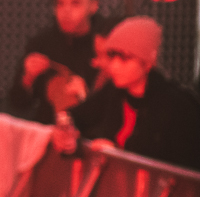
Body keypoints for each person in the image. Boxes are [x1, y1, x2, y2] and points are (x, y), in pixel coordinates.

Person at [52, 16, 200, 170]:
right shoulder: (114, 91)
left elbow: (182, 168)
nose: (114, 66)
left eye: (124, 59)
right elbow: (78, 114)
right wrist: (65, 129)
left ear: (147, 63)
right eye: (112, 56)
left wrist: (119, 155)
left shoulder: (178, 105)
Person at [8, 0, 109, 124]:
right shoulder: (42, 43)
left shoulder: (105, 41)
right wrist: (28, 78)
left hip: (93, 131)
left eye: (75, 3)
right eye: (60, 4)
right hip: (49, 128)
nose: (66, 11)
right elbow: (17, 104)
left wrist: (86, 96)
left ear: (93, 6)